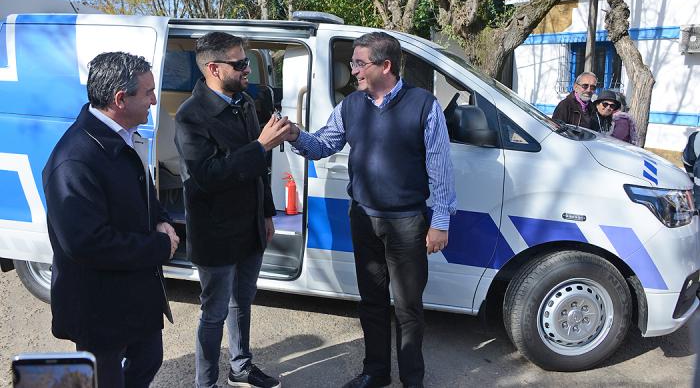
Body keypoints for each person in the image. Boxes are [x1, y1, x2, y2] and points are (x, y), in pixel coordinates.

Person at [285, 32, 456, 388]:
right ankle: (375, 372)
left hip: (407, 223)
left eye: (360, 63)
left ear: (386, 66)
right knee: (371, 303)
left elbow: (441, 169)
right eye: (354, 63)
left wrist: (440, 222)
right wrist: (293, 134)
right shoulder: (350, 106)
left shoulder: (423, 105)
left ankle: (412, 380)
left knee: (408, 309)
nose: (354, 71)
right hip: (363, 218)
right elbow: (322, 145)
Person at [42, 52, 180, 388]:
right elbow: (86, 243)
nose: (154, 99)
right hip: (100, 305)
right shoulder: (74, 159)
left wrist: (161, 219)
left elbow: (142, 190)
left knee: (149, 358)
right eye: (147, 92)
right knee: (105, 380)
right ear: (120, 99)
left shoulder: (120, 136)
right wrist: (160, 245)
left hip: (134, 293)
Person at [174, 32, 289, 388]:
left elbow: (259, 172)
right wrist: (259, 147)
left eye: (247, 63)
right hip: (217, 231)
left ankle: (240, 366)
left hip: (250, 225)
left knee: (244, 301)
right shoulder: (191, 116)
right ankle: (205, 382)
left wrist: (267, 213)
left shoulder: (244, 102)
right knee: (215, 312)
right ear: (213, 68)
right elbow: (207, 176)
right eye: (239, 64)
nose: (247, 71)